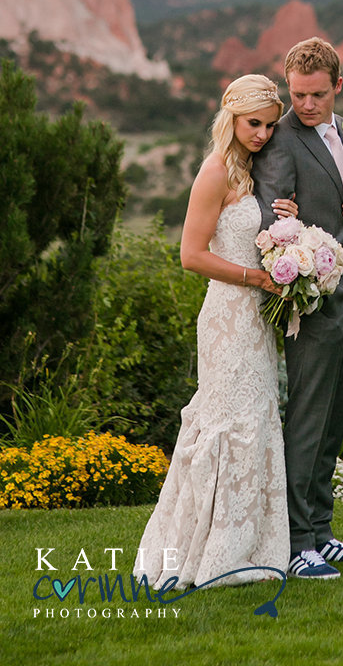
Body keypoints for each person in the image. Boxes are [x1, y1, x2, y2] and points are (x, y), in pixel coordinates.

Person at [136, 74, 297, 588]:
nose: (263, 134)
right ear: (230, 115)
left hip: (256, 320)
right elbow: (191, 255)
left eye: (271, 126)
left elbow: (253, 236)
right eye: (255, 123)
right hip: (228, 316)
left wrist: (283, 225)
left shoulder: (252, 170)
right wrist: (256, 277)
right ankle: (208, 551)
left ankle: (246, 545)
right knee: (227, 422)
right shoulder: (213, 172)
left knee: (255, 419)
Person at [251, 37, 343, 580]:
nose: (306, 106)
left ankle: (323, 532)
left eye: (317, 95)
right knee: (305, 420)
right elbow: (270, 225)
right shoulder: (281, 142)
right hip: (311, 302)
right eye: (298, 95)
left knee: (333, 421)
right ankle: (297, 539)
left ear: (338, 87)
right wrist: (288, 227)